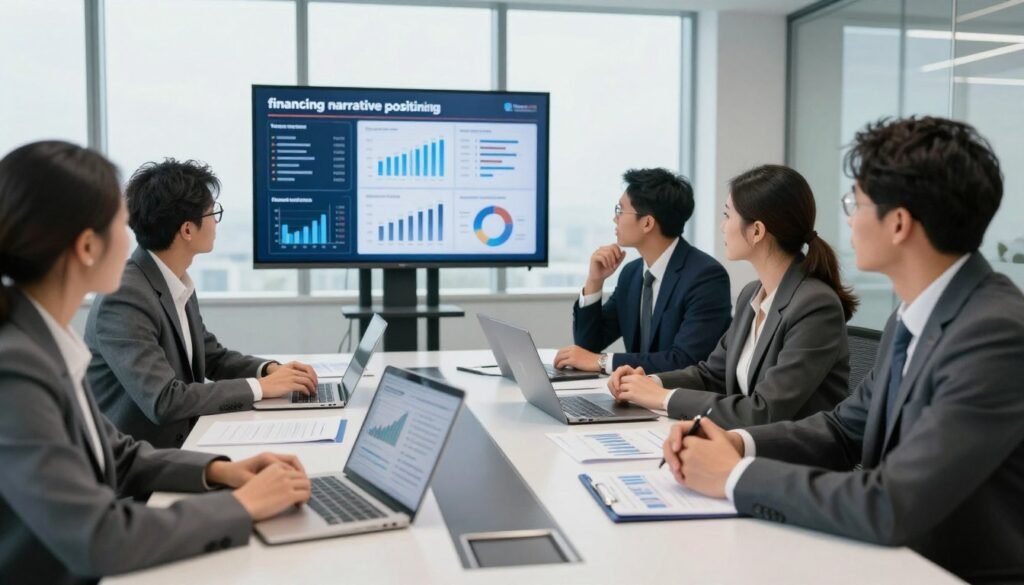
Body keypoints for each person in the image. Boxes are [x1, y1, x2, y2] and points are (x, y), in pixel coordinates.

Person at [661, 117, 1024, 584]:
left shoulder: (993, 333)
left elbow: (891, 503)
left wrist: (733, 477)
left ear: (898, 224)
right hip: (890, 559)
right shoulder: (913, 317)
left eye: (857, 202)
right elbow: (843, 429)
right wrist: (737, 442)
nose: (849, 218)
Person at [0, 141, 311, 584]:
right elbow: (99, 538)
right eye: (120, 224)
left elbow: (117, 453)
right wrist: (241, 506)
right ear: (88, 246)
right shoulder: (15, 369)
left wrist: (221, 471)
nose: (131, 239)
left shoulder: (44, 343)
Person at [85, 159, 318, 448]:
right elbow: (164, 400)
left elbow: (211, 357)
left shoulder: (174, 280)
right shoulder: (124, 296)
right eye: (212, 213)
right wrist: (261, 388)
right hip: (142, 466)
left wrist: (269, 370)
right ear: (187, 230)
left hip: (186, 443)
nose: (216, 222)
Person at [608, 165, 857, 427]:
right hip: (744, 444)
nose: (722, 226)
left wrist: (663, 398)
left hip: (791, 458)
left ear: (757, 231)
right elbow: (711, 374)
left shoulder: (815, 305)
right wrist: (649, 382)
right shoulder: (753, 294)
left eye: (728, 215)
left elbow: (764, 411)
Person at [555, 168, 731, 374]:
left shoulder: (705, 276)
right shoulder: (632, 273)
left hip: (678, 400)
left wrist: (603, 362)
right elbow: (588, 347)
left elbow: (685, 360)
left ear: (647, 222)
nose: (615, 219)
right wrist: (594, 281)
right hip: (636, 396)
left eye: (620, 211)